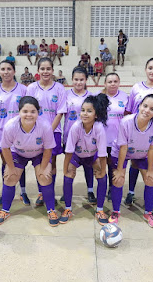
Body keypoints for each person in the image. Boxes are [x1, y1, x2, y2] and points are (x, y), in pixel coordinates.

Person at [0, 96, 59, 226]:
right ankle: (5, 210)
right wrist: (11, 167)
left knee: (45, 176)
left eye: (32, 111)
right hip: (18, 153)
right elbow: (5, 148)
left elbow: (48, 149)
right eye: (25, 111)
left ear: (38, 112)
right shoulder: (11, 126)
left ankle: (51, 209)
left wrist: (43, 167)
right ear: (19, 112)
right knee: (10, 177)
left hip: (38, 153)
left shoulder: (45, 125)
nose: (29, 115)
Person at [110, 94, 153, 226]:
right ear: (139, 106)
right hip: (121, 153)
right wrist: (119, 170)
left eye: (152, 109)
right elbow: (123, 147)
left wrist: (151, 169)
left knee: (151, 180)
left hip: (142, 154)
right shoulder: (126, 122)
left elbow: (152, 149)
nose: (147, 110)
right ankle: (115, 211)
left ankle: (148, 212)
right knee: (119, 179)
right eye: (145, 106)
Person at [124, 55, 153, 205]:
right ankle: (131, 192)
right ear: (145, 69)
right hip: (136, 131)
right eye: (150, 68)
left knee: (149, 163)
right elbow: (130, 110)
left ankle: (148, 196)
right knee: (134, 162)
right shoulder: (136, 87)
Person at [61, 94, 109, 225]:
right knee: (68, 175)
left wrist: (103, 171)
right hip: (77, 156)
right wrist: (65, 170)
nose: (85, 114)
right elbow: (69, 151)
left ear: (96, 115)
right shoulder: (76, 127)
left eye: (89, 111)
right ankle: (68, 209)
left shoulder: (99, 128)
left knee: (102, 176)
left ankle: (99, 209)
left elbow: (102, 154)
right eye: (83, 110)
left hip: (92, 156)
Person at [26, 57, 67, 206]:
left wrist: (49, 131)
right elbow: (28, 111)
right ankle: (41, 192)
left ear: (52, 71)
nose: (45, 71)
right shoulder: (31, 88)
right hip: (35, 132)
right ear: (37, 71)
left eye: (48, 69)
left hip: (54, 131)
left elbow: (60, 111)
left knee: (52, 163)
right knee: (40, 163)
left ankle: (50, 192)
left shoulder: (59, 88)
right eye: (42, 69)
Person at [0, 60, 29, 204]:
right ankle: (7, 190)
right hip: (2, 132)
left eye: (9, 69)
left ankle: (23, 192)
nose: (6, 72)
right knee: (6, 162)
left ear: (14, 71)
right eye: (3, 69)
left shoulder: (23, 90)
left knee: (20, 161)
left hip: (20, 132)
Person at [62, 67, 96, 204]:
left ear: (86, 80)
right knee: (69, 165)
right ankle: (67, 191)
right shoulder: (65, 95)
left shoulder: (91, 97)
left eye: (81, 79)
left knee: (89, 165)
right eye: (76, 79)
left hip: (87, 137)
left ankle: (90, 190)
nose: (78, 82)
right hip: (69, 137)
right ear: (72, 79)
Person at [100, 73, 128, 200]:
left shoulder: (124, 97)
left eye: (115, 81)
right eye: (110, 81)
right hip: (101, 138)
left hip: (117, 139)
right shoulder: (99, 97)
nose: (112, 84)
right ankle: (101, 188)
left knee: (113, 165)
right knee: (101, 165)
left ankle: (112, 188)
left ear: (119, 82)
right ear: (105, 83)